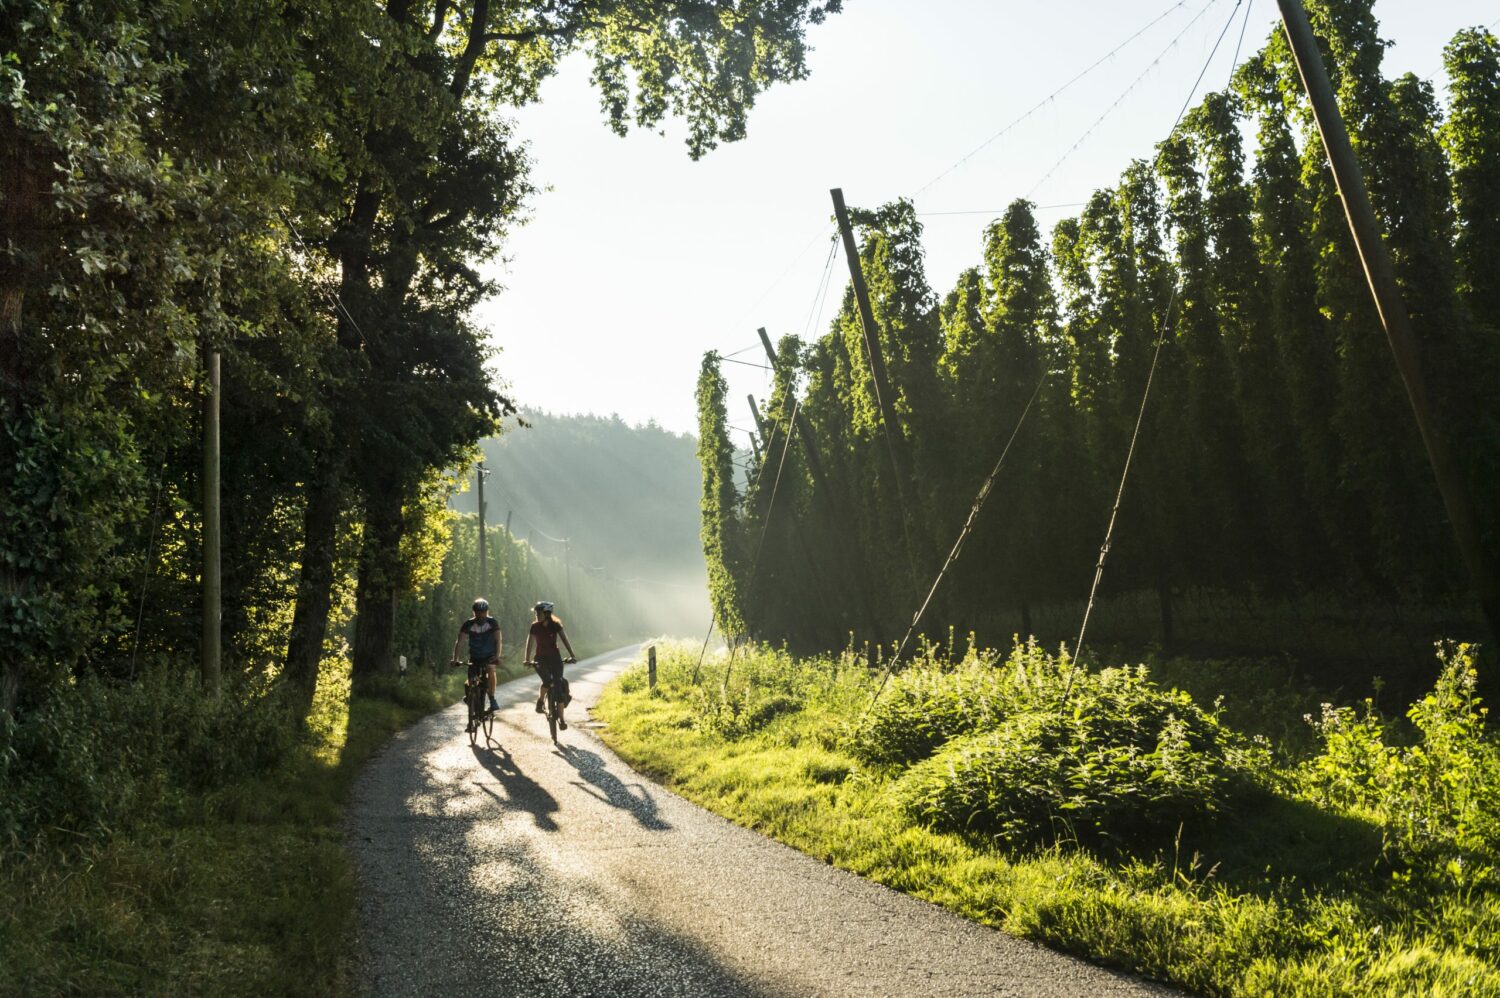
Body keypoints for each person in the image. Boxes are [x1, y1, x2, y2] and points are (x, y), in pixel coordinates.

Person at [525, 601, 576, 730]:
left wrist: (572, 655)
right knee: (547, 681)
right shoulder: (535, 626)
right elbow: (530, 642)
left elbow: (564, 639)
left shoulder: (555, 625)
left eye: (539, 612)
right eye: (536, 612)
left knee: (558, 688)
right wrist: (527, 659)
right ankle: (541, 701)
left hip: (555, 658)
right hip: (540, 659)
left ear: (547, 613)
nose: (536, 615)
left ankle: (562, 721)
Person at [451, 598, 502, 714]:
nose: (481, 615)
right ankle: (470, 696)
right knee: (470, 681)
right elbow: (459, 642)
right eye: (478, 612)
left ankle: (492, 699)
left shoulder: (492, 622)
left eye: (483, 612)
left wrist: (497, 656)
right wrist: (455, 659)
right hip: (475, 656)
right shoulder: (468, 624)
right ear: (474, 612)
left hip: (489, 656)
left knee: (491, 669)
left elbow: (498, 640)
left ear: (487, 612)